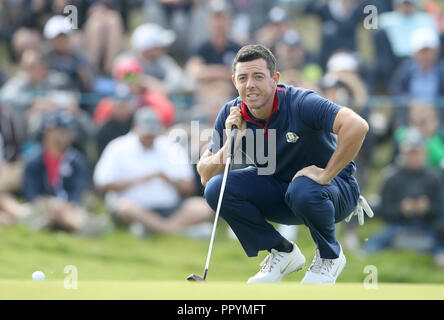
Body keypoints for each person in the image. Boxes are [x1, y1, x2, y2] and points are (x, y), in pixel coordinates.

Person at [197, 44, 371, 284]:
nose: (250, 85)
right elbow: (205, 175)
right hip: (282, 193)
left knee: (303, 188)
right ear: (234, 81)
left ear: (274, 79)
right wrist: (231, 144)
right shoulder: (232, 113)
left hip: (332, 191)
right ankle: (282, 252)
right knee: (217, 188)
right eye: (243, 78)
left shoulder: (300, 102)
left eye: (258, 76)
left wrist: (326, 174)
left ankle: (330, 255)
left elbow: (357, 125)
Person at [93, 108, 214, 238]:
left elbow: (189, 188)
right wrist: (140, 179)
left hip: (171, 208)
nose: (149, 137)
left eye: (153, 133)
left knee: (203, 207)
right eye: (146, 133)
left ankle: (155, 229)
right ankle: (177, 231)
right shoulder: (118, 147)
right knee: (124, 208)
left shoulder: (172, 147)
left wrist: (169, 179)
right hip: (136, 207)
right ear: (135, 127)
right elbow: (102, 184)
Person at [364, 128, 444, 267]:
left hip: (426, 226)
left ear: (424, 153)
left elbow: (439, 210)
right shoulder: (391, 177)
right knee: (369, 249)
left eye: (416, 152)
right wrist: (401, 209)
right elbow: (384, 210)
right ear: (402, 153)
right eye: (410, 153)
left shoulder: (433, 178)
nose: (413, 157)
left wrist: (426, 208)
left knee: (440, 249)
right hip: (397, 225)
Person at [22, 110, 91, 233]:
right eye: (62, 131)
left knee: (73, 215)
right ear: (50, 132)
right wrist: (51, 204)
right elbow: (31, 194)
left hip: (69, 209)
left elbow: (78, 193)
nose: (66, 135)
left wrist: (63, 207)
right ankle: (69, 226)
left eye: (68, 132)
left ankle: (61, 224)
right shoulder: (33, 161)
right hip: (42, 207)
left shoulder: (77, 161)